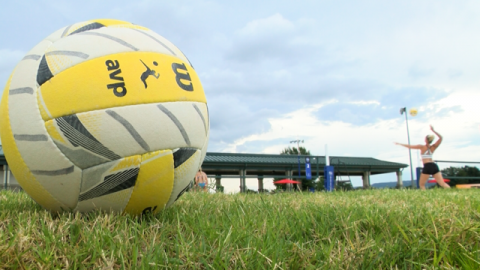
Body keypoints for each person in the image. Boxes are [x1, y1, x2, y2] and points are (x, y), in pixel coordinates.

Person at [395, 125, 450, 190]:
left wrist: (400, 144)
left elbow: (410, 146)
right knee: (442, 183)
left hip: (427, 166)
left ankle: (425, 197)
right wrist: (433, 130)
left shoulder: (422, 147)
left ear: (426, 140)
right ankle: (452, 192)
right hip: (434, 165)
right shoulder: (433, 147)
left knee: (421, 184)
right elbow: (441, 138)